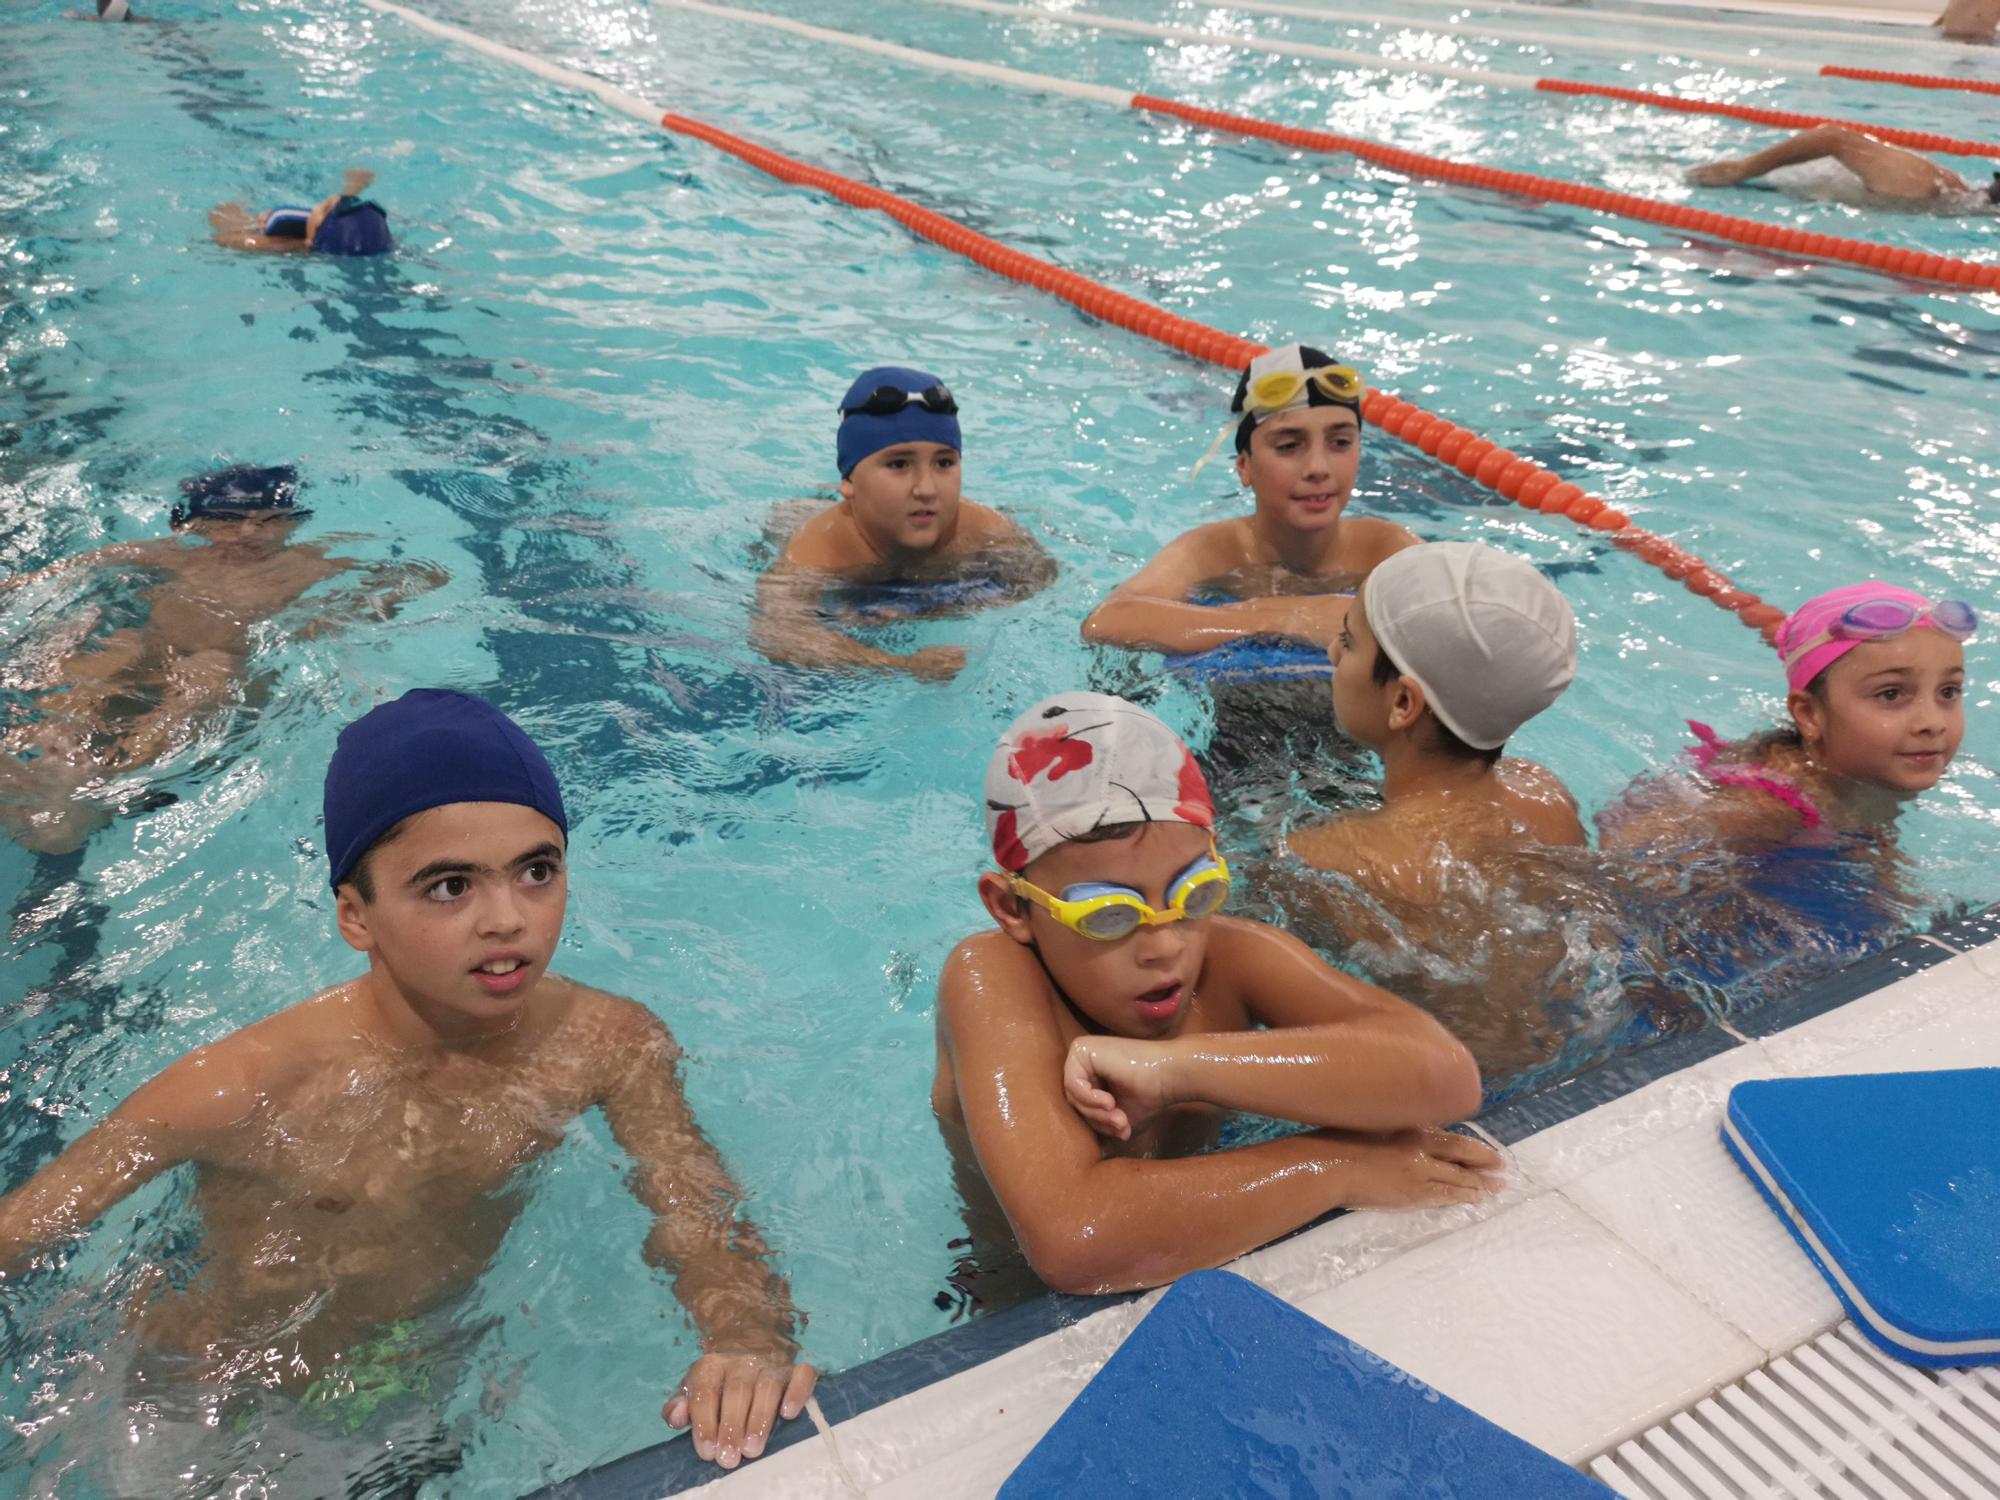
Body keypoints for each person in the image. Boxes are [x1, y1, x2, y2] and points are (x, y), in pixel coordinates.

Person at [0, 691, 815, 1484]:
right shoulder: (239, 1088)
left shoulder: (607, 1043)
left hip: (419, 1377)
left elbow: (701, 1214)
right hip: (207, 1396)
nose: (507, 919)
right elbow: (20, 1234)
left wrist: (747, 1338)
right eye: (449, 886)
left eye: (537, 871)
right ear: (356, 916)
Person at [931, 692, 1499, 1301]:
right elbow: (1074, 1239)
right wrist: (1339, 1168)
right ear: (1013, 907)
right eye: (1108, 914)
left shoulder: (1233, 957)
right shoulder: (991, 978)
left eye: (1195, 892)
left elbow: (1446, 1077)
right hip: (1019, 1301)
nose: (1164, 945)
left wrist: (1177, 1069)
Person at [0, 464, 443, 854]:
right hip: (149, 651)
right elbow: (91, 562)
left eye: (268, 521)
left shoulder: (308, 562)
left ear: (291, 523)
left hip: (221, 667)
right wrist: (22, 583)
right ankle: (45, 752)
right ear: (198, 524)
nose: (249, 533)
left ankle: (107, 783)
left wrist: (334, 616)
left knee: (210, 670)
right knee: (116, 651)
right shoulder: (176, 556)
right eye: (230, 520)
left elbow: (425, 576)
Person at [1282, 542, 1591, 1080]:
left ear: (1404, 703)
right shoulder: (1547, 797)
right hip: (1566, 1043)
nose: (1332, 652)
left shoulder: (1327, 855)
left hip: (1442, 1080)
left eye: (1349, 643)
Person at [1080, 344, 1418, 659]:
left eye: (1341, 442)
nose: (1319, 468)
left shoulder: (1385, 550)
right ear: (1245, 466)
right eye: (1289, 446)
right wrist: (1285, 617)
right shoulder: (1213, 551)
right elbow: (1109, 620)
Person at [1599, 583, 1973, 857]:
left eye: (1948, 692)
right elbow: (1629, 850)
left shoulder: (1879, 767)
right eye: (1890, 694)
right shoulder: (1768, 808)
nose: (1932, 722)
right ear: (1809, 715)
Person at [751, 366, 1055, 681]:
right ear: (849, 481)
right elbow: (776, 635)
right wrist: (899, 664)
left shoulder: (986, 530)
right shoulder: (818, 550)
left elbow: (1041, 580)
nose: (926, 489)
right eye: (898, 464)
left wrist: (937, 608)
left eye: (944, 463)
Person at [1687, 125, 2000, 211]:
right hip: (1765, 185)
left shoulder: (1934, 192)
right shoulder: (1926, 186)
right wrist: (1744, 171)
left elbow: (1834, 138)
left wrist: (1745, 170)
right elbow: (1833, 139)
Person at [209, 169, 394, 256]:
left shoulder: (281, 245)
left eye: (324, 208)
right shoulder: (378, 244)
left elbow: (221, 227)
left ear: (312, 238)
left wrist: (250, 220)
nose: (330, 200)